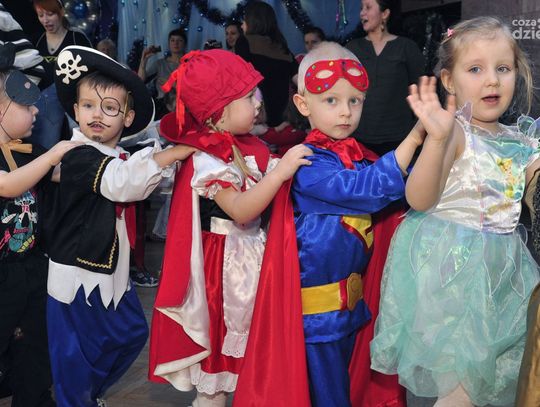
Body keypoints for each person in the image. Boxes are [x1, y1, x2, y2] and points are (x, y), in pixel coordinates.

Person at [371, 17, 540, 407]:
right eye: (475, 69)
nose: (492, 80)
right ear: (448, 80)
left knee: (496, 380)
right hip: (451, 275)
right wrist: (436, 140)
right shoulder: (455, 131)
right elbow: (418, 198)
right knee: (457, 387)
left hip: (504, 277)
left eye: (503, 68)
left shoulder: (522, 140)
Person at [148, 49, 312, 407]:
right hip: (223, 272)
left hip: (250, 260)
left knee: (252, 365)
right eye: (248, 97)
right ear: (219, 111)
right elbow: (241, 210)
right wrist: (281, 173)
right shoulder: (208, 158)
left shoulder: (248, 146)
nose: (259, 102)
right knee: (219, 375)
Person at [44, 45, 196, 407]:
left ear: (127, 117)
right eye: (88, 106)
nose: (97, 115)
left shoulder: (118, 155)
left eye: (109, 108)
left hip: (111, 271)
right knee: (74, 355)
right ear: (75, 111)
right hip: (77, 273)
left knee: (130, 333)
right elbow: (120, 183)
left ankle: (89, 395)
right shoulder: (76, 155)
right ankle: (77, 400)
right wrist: (173, 154)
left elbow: (136, 175)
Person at [290, 41, 422, 407]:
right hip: (317, 318)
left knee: (351, 390)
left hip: (352, 310)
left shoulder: (360, 157)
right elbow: (364, 189)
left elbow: (407, 189)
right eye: (331, 100)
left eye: (355, 100)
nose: (345, 112)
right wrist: (416, 136)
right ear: (303, 104)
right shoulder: (307, 165)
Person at [0, 43, 79, 406]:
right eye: (26, 105)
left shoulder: (29, 152)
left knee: (35, 347)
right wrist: (52, 156)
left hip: (31, 267)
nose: (36, 111)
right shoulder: (36, 158)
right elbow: (7, 185)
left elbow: (60, 174)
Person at [346, 0, 424, 156]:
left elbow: (420, 90)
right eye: (361, 8)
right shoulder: (352, 49)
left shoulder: (406, 47)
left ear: (385, 14)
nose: (362, 13)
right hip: (359, 138)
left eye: (368, 7)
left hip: (399, 138)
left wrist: (419, 129)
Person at [32, 0, 92, 149]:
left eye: (50, 14)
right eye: (41, 15)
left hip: (72, 103)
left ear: (61, 12)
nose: (45, 20)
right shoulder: (36, 41)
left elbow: (92, 73)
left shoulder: (77, 39)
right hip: (41, 105)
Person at [235, 1, 297, 127]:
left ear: (253, 21)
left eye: (245, 20)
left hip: (257, 113)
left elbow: (239, 78)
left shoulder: (244, 42)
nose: (241, 25)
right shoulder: (282, 47)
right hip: (282, 114)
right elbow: (298, 78)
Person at [137, 29, 186, 119]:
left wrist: (171, 84)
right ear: (169, 43)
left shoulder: (190, 65)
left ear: (184, 44)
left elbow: (194, 89)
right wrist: (144, 60)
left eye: (179, 40)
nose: (176, 43)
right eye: (172, 40)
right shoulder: (160, 64)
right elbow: (140, 80)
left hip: (183, 104)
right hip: (162, 105)